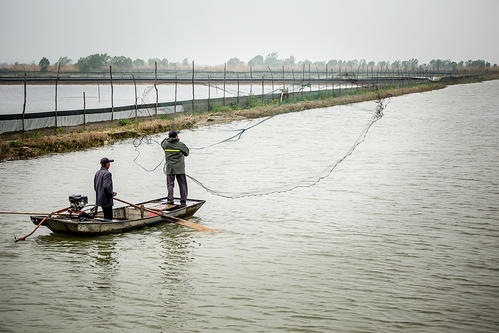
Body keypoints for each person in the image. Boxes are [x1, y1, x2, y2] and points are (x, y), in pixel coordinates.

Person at [161, 130, 189, 206]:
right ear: (176, 136)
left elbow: (162, 142)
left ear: (169, 137)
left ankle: (170, 200)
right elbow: (187, 153)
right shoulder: (180, 144)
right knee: (182, 184)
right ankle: (183, 200)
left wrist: (167, 139)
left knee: (170, 185)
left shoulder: (165, 144)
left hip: (170, 168)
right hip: (180, 169)